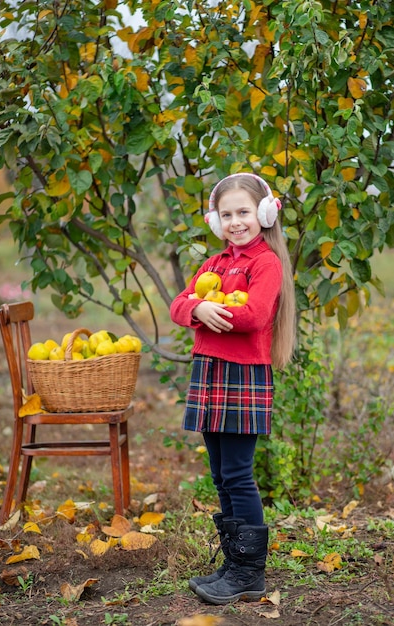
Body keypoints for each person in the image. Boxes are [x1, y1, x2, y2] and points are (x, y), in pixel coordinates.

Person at [170, 172, 296, 605]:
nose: (236, 221)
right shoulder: (214, 264)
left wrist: (206, 308)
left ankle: (249, 573)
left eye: (244, 212)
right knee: (220, 474)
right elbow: (177, 305)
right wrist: (198, 306)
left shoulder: (266, 263)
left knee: (239, 475)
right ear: (214, 219)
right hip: (210, 371)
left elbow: (255, 316)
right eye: (227, 214)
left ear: (263, 213)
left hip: (243, 375)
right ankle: (234, 562)